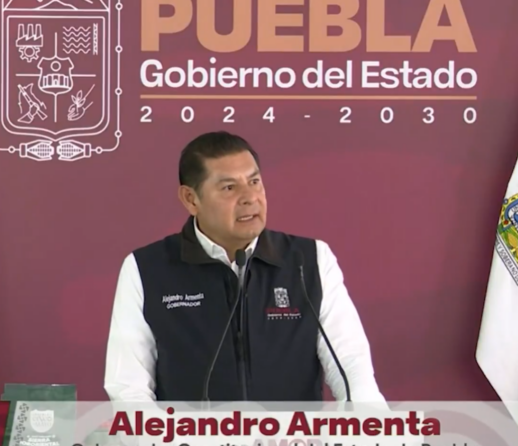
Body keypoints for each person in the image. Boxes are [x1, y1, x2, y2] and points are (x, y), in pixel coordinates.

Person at [104, 131, 385, 402]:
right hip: (188, 436)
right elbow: (128, 388)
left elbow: (351, 364)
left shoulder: (308, 260)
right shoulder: (147, 269)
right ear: (191, 199)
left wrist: (371, 424)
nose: (250, 197)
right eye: (229, 187)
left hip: (293, 436)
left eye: (254, 182)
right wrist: (161, 435)